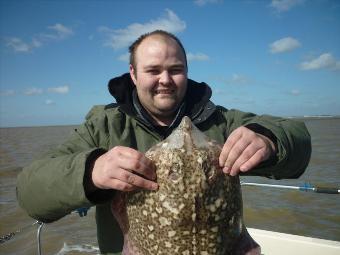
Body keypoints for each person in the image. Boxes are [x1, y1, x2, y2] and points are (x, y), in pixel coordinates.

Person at [17, 30, 311, 254]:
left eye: (175, 69)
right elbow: (30, 194)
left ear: (187, 71)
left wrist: (269, 138)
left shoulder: (220, 123)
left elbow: (297, 139)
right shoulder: (104, 128)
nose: (165, 79)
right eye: (153, 70)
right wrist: (91, 170)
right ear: (133, 74)